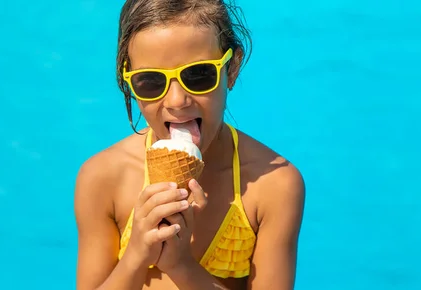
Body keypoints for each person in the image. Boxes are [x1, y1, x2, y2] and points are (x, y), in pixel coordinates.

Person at [74, 0, 306, 289]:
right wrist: (136, 255)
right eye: (150, 81)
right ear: (128, 82)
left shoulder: (274, 185)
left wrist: (180, 265)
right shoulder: (102, 178)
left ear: (231, 69)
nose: (177, 101)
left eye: (198, 75)